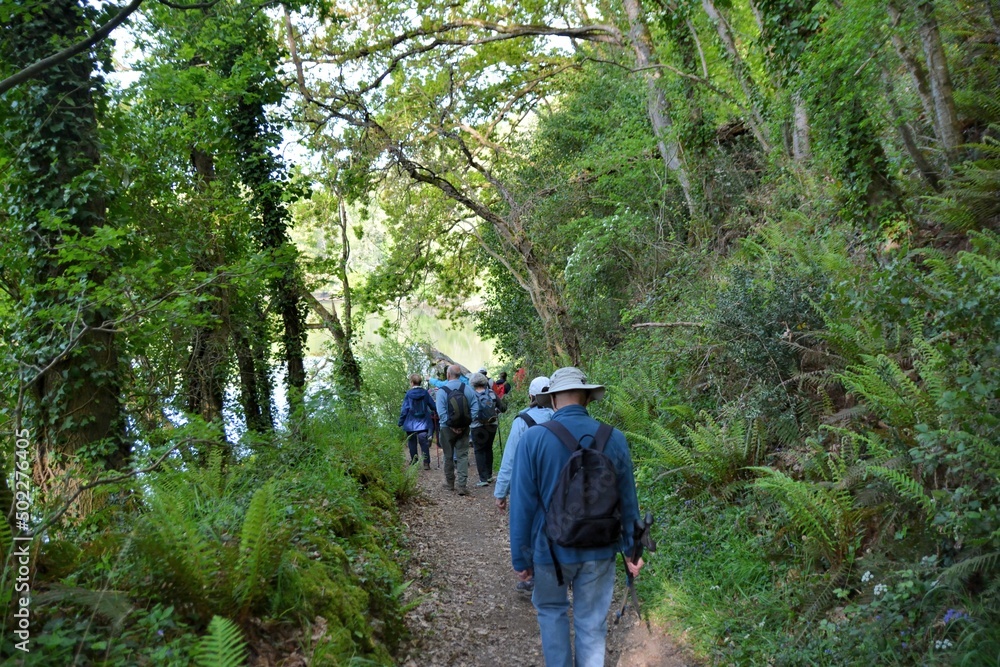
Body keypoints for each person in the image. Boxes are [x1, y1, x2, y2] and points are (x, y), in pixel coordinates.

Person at [509, 367, 644, 667]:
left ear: (553, 400)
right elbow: (627, 500)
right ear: (587, 398)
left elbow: (522, 505)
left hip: (549, 551)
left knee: (552, 613)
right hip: (600, 548)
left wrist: (521, 559)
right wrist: (632, 550)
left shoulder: (533, 440)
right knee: (592, 624)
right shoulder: (615, 438)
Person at [495, 375, 552, 593]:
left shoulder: (523, 421)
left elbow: (509, 460)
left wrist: (501, 493)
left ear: (531, 396)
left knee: (530, 527)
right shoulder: (561, 418)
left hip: (530, 485)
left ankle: (532, 576)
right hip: (559, 482)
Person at [435, 364, 479, 496]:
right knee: (462, 455)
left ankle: (449, 484)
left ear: (448, 375)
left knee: (448, 456)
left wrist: (451, 425)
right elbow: (475, 407)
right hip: (464, 428)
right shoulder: (467, 389)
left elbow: (441, 412)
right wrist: (467, 423)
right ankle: (462, 486)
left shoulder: (442, 391)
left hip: (446, 428)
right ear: (459, 376)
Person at [469, 372, 501, 487]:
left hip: (477, 426)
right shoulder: (492, 393)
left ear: (472, 383)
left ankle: (482, 479)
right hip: (492, 425)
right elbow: (503, 407)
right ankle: (489, 475)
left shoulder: (471, 395)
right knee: (488, 448)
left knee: (479, 450)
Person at [397, 374, 436, 470]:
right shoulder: (425, 393)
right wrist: (435, 411)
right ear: (420, 382)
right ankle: (426, 463)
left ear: (411, 383)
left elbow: (404, 410)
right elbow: (433, 406)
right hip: (423, 423)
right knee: (424, 443)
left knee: (412, 443)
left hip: (410, 424)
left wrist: (401, 422)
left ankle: (414, 461)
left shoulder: (408, 394)